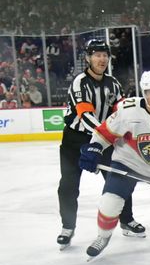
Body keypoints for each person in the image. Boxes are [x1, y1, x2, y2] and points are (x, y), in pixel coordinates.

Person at [78, 70, 150, 258]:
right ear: (144, 93)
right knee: (110, 203)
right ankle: (103, 236)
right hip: (126, 163)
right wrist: (95, 148)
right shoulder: (127, 109)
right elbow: (104, 133)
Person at [56, 39, 142, 249]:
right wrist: (105, 134)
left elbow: (121, 111)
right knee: (68, 186)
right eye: (97, 55)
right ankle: (67, 227)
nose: (102, 59)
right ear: (88, 58)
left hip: (104, 139)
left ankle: (126, 220)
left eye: (105, 55)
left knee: (120, 178)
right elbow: (84, 115)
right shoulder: (79, 82)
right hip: (75, 140)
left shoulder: (113, 83)